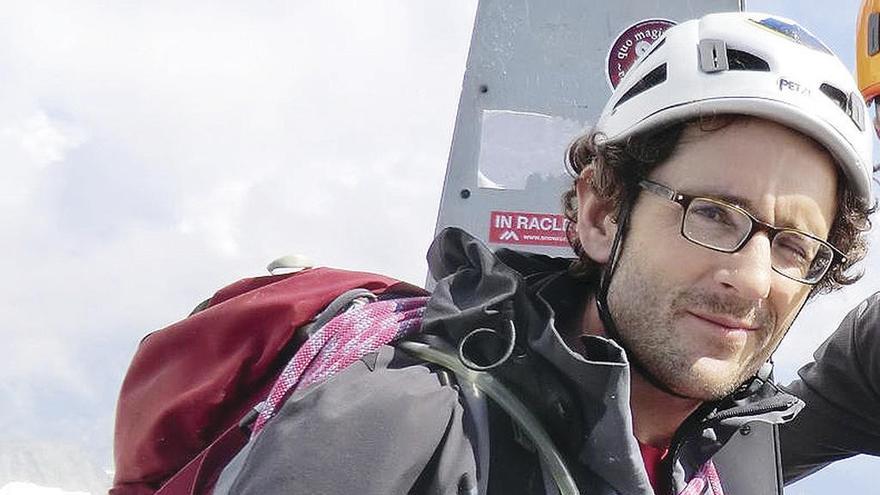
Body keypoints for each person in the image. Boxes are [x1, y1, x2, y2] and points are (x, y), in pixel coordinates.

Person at [212, 12, 875, 495]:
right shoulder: (401, 429)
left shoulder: (730, 467)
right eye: (711, 213)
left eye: (794, 245)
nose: (752, 278)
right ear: (599, 213)